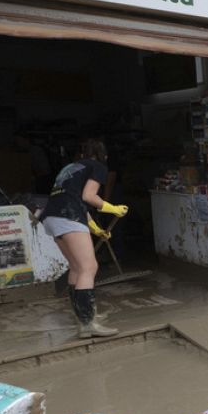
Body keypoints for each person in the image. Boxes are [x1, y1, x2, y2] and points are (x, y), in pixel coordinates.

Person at [38, 139, 128, 338]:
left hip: (52, 217)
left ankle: (83, 316)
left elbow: (74, 200)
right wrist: (112, 208)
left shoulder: (70, 168)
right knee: (89, 267)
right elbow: (89, 196)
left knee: (77, 267)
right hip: (68, 216)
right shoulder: (98, 166)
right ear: (104, 155)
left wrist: (95, 229)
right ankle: (88, 324)